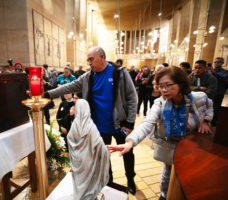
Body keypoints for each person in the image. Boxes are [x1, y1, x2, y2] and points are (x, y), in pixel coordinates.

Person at [107, 66, 213, 200]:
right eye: (160, 86)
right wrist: (130, 142)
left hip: (192, 147)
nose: (163, 90)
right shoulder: (160, 103)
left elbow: (210, 106)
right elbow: (147, 123)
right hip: (170, 145)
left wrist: (206, 121)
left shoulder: (198, 98)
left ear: (180, 84)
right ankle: (163, 196)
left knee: (189, 179)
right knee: (167, 175)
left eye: (168, 85)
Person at [46, 46, 138, 194]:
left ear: (102, 57)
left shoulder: (119, 73)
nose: (89, 63)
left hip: (120, 125)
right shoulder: (88, 77)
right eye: (88, 60)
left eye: (91, 59)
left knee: (127, 153)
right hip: (99, 127)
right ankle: (109, 182)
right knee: (103, 156)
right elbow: (69, 87)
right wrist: (48, 94)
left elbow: (132, 97)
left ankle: (130, 179)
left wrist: (130, 123)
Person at [67, 99, 110, 200]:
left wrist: (76, 151)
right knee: (89, 181)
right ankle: (89, 196)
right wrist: (106, 151)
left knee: (79, 181)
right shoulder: (90, 126)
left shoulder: (75, 124)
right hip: (88, 160)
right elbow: (99, 144)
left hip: (77, 161)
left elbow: (69, 138)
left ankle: (79, 196)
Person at [211, 57, 228, 126]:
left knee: (216, 108)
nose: (216, 63)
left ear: (222, 63)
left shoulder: (225, 72)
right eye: (215, 62)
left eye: (219, 62)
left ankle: (213, 123)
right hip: (210, 92)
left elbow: (223, 79)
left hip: (219, 92)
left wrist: (213, 73)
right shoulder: (211, 71)